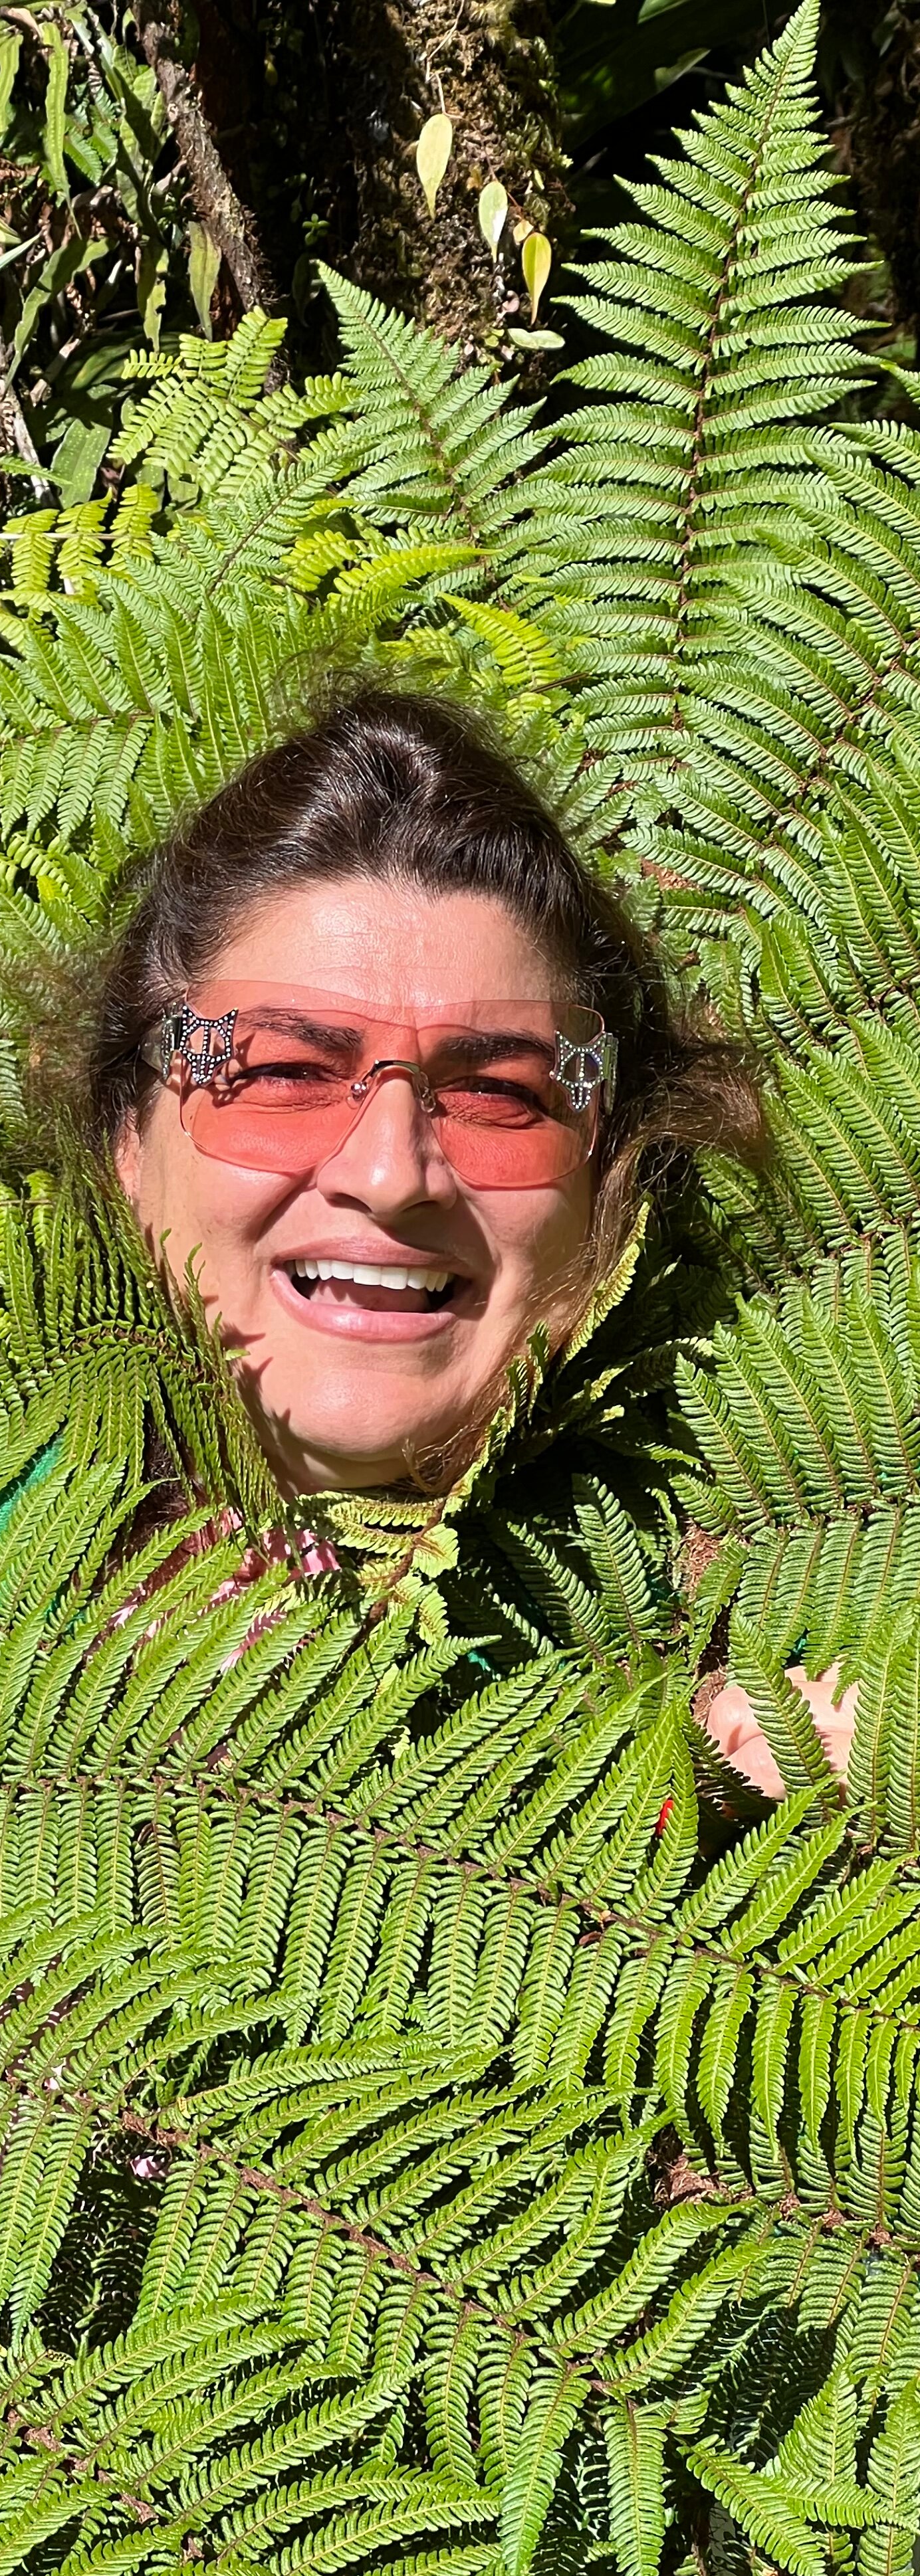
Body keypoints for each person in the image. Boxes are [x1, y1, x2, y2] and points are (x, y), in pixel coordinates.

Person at [82, 686, 848, 1783]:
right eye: (286, 1073)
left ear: (608, 1167)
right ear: (128, 1137)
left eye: (497, 1093)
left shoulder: (778, 1617)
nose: (389, 1176)